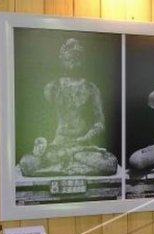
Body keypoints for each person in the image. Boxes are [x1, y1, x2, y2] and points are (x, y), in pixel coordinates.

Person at [18, 38, 117, 177]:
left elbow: (100, 123)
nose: (72, 61)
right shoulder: (52, 88)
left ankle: (64, 164)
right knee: (27, 163)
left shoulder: (91, 88)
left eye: (76, 57)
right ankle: (71, 163)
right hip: (57, 146)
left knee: (110, 164)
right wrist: (41, 141)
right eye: (68, 57)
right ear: (61, 59)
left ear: (82, 60)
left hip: (83, 147)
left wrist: (84, 138)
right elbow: (41, 121)